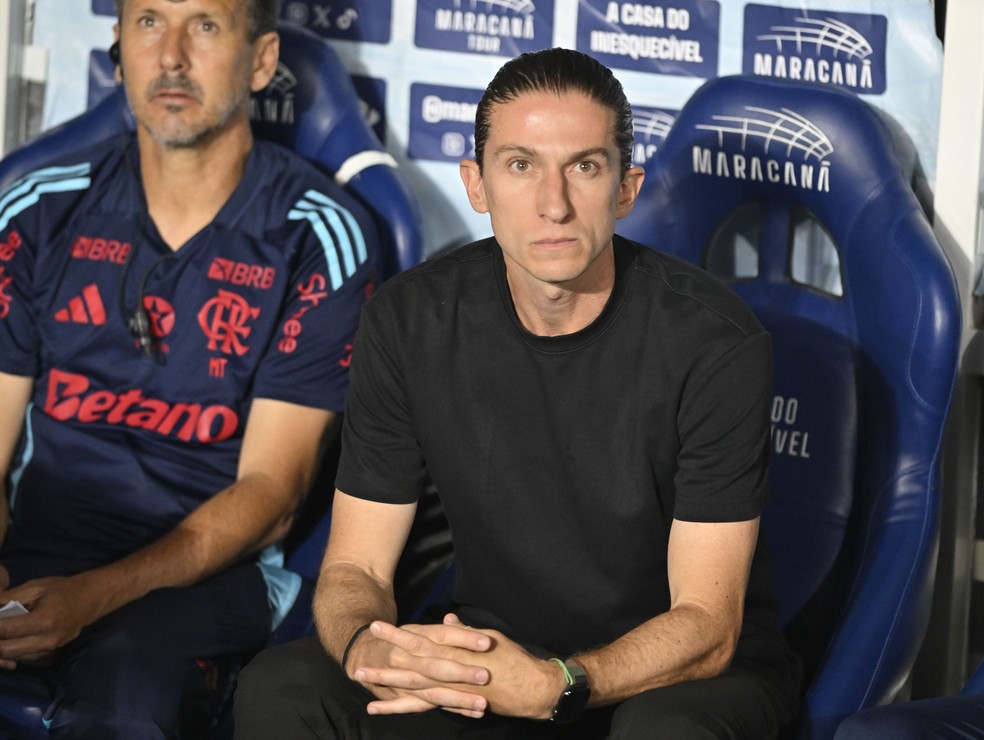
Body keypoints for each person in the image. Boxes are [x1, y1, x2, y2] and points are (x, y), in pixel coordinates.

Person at [234, 47, 801, 739]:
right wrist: (369, 649)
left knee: (664, 732)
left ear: (626, 188)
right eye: (521, 165)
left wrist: (560, 682)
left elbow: (708, 627)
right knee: (286, 686)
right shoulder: (410, 319)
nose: (553, 204)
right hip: (496, 661)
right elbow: (355, 565)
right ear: (477, 184)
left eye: (585, 167)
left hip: (674, 681)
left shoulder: (715, 342)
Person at [0, 0, 378, 736]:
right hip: (39, 544)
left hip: (208, 574)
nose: (170, 55)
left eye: (204, 25)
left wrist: (89, 597)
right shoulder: (37, 209)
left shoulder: (319, 234)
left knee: (127, 702)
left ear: (262, 61)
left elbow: (272, 494)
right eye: (147, 23)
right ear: (119, 47)